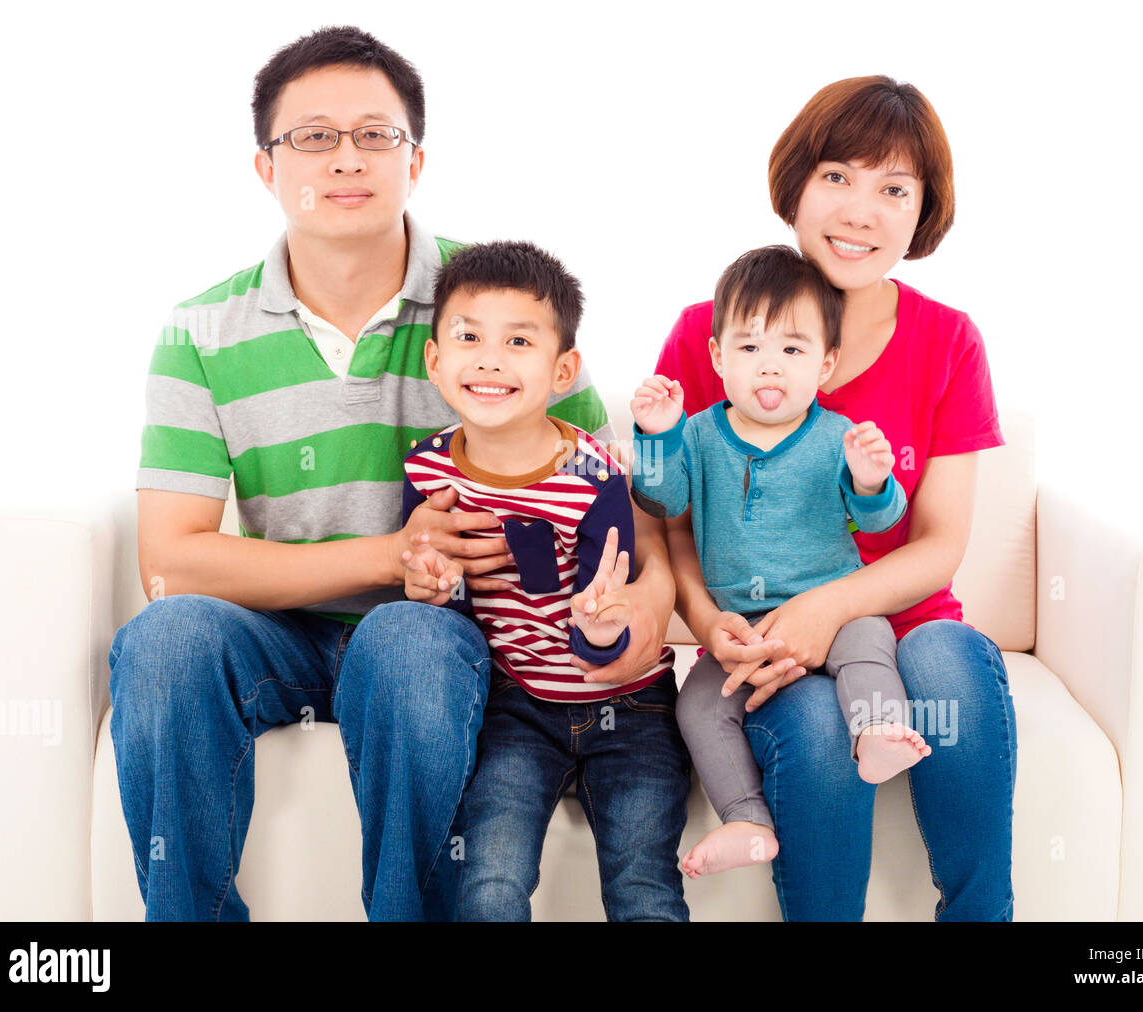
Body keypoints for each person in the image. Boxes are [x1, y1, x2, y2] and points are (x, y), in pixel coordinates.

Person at [106, 26, 675, 921]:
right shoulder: (201, 330)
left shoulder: (495, 305)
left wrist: (652, 599)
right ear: (266, 167)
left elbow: (618, 497)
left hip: (440, 637)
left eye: (376, 135)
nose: (347, 160)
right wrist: (385, 554)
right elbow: (172, 565)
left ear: (416, 159)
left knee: (406, 641)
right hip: (280, 635)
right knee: (164, 638)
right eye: (313, 137)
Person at [654, 75, 1018, 920]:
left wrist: (830, 610)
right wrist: (710, 624)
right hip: (761, 632)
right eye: (838, 176)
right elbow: (665, 515)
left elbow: (940, 542)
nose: (861, 210)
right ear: (796, 183)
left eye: (895, 189)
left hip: (902, 623)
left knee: (948, 668)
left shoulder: (949, 341)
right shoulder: (712, 332)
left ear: (922, 212)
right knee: (816, 729)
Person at [400, 240, 690, 921]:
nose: (491, 359)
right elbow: (430, 589)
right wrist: (431, 581)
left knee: (644, 886)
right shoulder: (427, 469)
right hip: (516, 710)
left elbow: (609, 598)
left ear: (563, 370)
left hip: (630, 708)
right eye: (469, 338)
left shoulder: (592, 476)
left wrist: (598, 631)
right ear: (436, 362)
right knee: (490, 884)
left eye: (519, 342)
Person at [631, 244, 931, 880]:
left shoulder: (837, 436)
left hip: (831, 608)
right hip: (741, 630)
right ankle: (746, 818)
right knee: (698, 708)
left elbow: (882, 522)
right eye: (749, 349)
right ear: (717, 357)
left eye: (792, 351)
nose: (770, 368)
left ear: (825, 365)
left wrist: (873, 480)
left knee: (870, 637)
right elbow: (661, 500)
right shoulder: (698, 434)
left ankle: (876, 730)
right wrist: (656, 436)